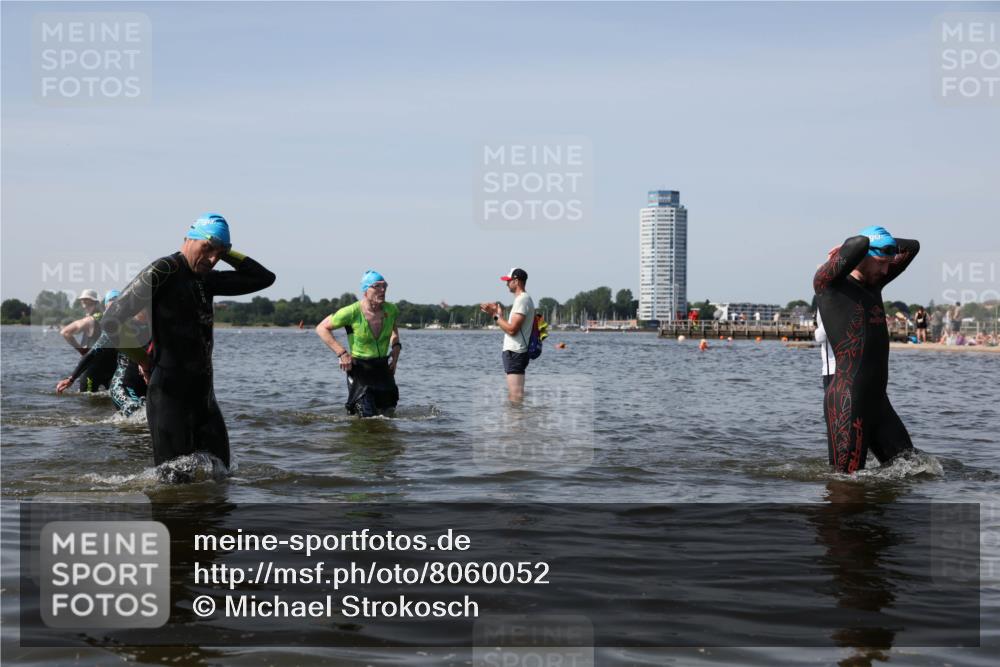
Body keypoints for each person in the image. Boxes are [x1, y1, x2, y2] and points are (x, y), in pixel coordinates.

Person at [95, 213, 275, 471]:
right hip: (168, 395)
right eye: (207, 248)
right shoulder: (164, 270)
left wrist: (226, 250)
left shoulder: (207, 278)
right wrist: (143, 361)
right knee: (173, 480)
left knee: (222, 474)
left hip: (204, 398)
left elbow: (264, 278)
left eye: (219, 253)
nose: (213, 259)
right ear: (189, 239)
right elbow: (111, 321)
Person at [813, 225, 919, 473]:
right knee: (846, 485)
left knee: (915, 470)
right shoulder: (828, 285)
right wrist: (853, 251)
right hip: (848, 401)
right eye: (882, 262)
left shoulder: (874, 284)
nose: (886, 269)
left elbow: (913, 246)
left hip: (878, 401)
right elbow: (858, 242)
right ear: (863, 256)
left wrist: (882, 248)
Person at [316, 270, 401, 417]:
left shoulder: (391, 309)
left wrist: (396, 348)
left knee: (388, 416)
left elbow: (394, 331)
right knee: (367, 419)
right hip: (361, 371)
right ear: (365, 290)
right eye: (377, 286)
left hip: (382, 370)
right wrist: (342, 353)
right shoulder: (352, 312)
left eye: (384, 286)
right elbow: (321, 328)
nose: (383, 290)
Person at [56, 299, 150, 418]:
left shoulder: (156, 327)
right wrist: (72, 378)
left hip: (147, 381)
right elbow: (91, 354)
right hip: (123, 384)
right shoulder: (118, 329)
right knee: (137, 413)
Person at [480, 267, 535, 402]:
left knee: (515, 397)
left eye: (509, 280)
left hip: (516, 352)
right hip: (515, 352)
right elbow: (511, 328)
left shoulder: (522, 300)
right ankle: (516, 421)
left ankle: (516, 422)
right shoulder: (522, 300)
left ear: (516, 281)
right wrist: (499, 316)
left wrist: (494, 315)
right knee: (515, 396)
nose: (506, 284)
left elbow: (512, 330)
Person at [59, 289, 117, 391]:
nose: (83, 304)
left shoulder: (89, 320)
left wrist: (81, 350)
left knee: (86, 401)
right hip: (111, 368)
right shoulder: (111, 319)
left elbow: (65, 332)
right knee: (107, 402)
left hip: (91, 368)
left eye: (84, 301)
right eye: (83, 301)